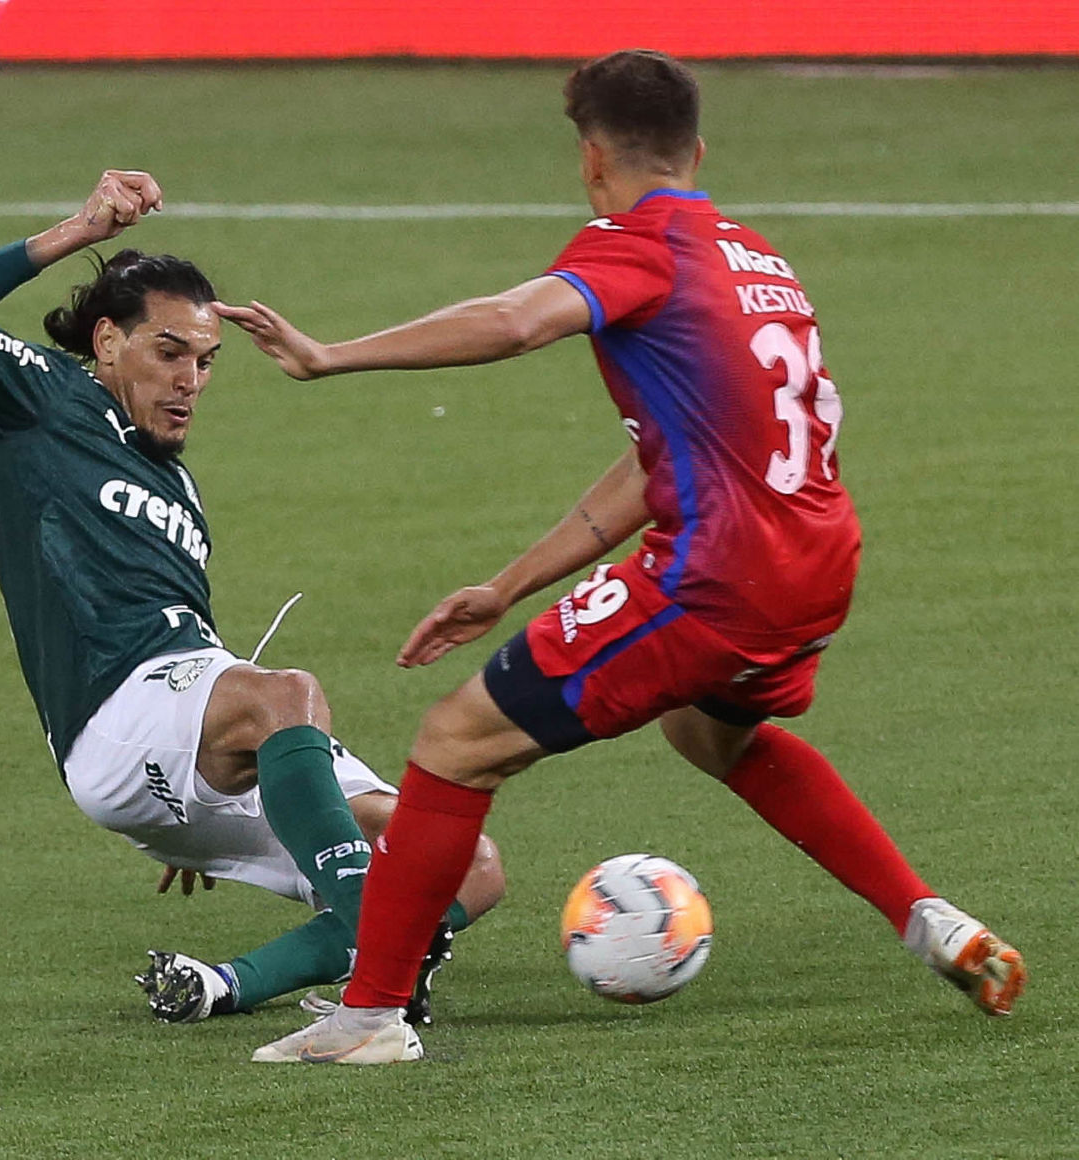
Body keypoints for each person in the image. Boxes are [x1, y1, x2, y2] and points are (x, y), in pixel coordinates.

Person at [220, 49, 1027, 1064]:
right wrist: (508, 585)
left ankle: (370, 1015)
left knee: (456, 741)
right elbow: (667, 461)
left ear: (591, 159)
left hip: (719, 574)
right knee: (709, 732)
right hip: (818, 560)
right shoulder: (759, 260)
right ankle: (925, 916)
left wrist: (331, 354)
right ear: (698, 152)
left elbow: (517, 321)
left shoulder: (639, 244)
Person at [0, 169, 504, 1027]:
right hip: (115, 716)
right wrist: (77, 231)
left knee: (467, 864)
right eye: (170, 352)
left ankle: (225, 984)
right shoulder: (46, 401)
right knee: (288, 694)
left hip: (192, 737)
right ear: (108, 342)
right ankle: (387, 971)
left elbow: (190, 642)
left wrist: (200, 782)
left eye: (207, 361)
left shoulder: (178, 489)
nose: (191, 380)